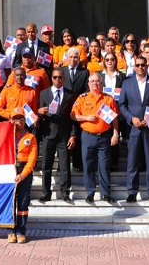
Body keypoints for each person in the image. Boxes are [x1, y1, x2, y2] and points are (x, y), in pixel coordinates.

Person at [118, 55, 149, 202]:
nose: (140, 67)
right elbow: (122, 105)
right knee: (132, 161)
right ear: (134, 67)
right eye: (137, 65)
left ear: (147, 66)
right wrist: (131, 118)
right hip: (134, 128)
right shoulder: (127, 83)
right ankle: (132, 191)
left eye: (143, 65)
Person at [71, 74, 119, 204]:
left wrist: (115, 134)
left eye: (97, 81)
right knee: (88, 165)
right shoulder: (82, 98)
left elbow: (115, 119)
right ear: (88, 83)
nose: (95, 83)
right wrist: (86, 118)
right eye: (92, 81)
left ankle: (105, 193)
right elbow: (73, 115)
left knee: (104, 166)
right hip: (88, 137)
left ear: (101, 83)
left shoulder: (108, 99)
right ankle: (90, 193)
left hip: (104, 137)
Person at [37, 69, 75, 202]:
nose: (57, 79)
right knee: (46, 165)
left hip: (64, 134)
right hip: (48, 134)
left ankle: (65, 193)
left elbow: (73, 116)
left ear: (64, 79)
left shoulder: (70, 94)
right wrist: (39, 112)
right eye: (55, 77)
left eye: (60, 77)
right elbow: (39, 114)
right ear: (51, 78)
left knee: (64, 165)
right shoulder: (44, 93)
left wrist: (73, 135)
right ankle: (46, 192)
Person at [9, 107, 38, 244]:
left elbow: (32, 160)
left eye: (21, 118)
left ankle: (21, 231)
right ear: (11, 120)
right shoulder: (6, 136)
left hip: (24, 171)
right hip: (9, 170)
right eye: (15, 118)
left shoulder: (31, 137)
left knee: (23, 202)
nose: (18, 121)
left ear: (25, 120)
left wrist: (23, 174)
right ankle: (11, 231)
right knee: (10, 202)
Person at [99, 52, 125, 169]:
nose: (110, 62)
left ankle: (114, 163)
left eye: (112, 59)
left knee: (115, 136)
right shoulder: (99, 75)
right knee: (105, 137)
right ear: (104, 62)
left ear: (115, 61)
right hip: (103, 110)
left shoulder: (122, 76)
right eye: (107, 59)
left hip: (117, 110)